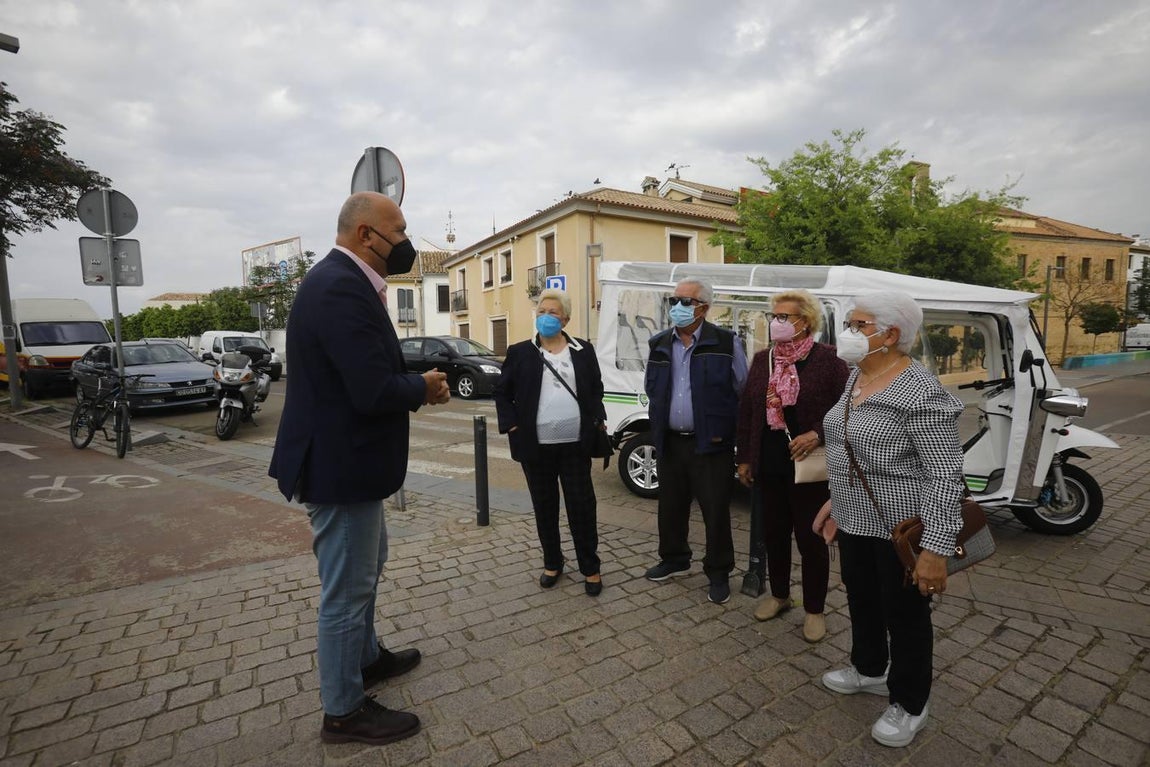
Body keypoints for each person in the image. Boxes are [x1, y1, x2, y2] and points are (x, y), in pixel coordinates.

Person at [269, 191, 451, 747]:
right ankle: (344, 712)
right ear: (365, 234)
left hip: (352, 464)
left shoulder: (345, 282)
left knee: (368, 568)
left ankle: (366, 659)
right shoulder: (339, 287)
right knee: (346, 593)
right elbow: (370, 389)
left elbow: (360, 369)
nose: (407, 242)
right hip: (340, 467)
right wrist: (422, 387)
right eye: (400, 231)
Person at [812, 290, 965, 749]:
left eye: (858, 325)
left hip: (902, 528)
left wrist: (936, 548)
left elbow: (945, 474)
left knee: (905, 615)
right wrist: (835, 502)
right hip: (855, 520)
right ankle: (869, 668)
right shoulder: (857, 377)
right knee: (861, 597)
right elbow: (848, 448)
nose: (848, 332)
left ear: (891, 334)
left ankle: (910, 702)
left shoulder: (921, 392)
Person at [736, 290, 848, 642]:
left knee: (811, 539)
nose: (776, 322)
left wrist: (818, 433)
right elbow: (748, 411)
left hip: (810, 466)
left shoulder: (830, 359)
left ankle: (814, 609)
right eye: (774, 316)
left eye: (784, 317)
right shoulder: (763, 360)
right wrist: (744, 457)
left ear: (806, 321)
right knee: (774, 534)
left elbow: (847, 408)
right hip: (769, 461)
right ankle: (780, 595)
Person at [494, 289, 607, 596]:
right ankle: (552, 563)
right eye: (542, 311)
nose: (546, 316)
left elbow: (595, 389)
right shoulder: (521, 352)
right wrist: (513, 425)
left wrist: (598, 417)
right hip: (536, 447)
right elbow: (502, 392)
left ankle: (590, 567)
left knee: (582, 507)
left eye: (553, 312)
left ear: (565, 319)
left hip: (575, 445)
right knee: (545, 507)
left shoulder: (583, 350)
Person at [643, 278, 747, 604]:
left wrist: (736, 439)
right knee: (670, 507)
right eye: (674, 300)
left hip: (711, 442)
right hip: (670, 441)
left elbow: (742, 391)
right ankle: (674, 559)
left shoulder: (726, 343)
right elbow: (651, 388)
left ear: (703, 307)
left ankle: (718, 571)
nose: (677, 307)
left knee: (715, 510)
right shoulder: (659, 343)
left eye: (685, 301)